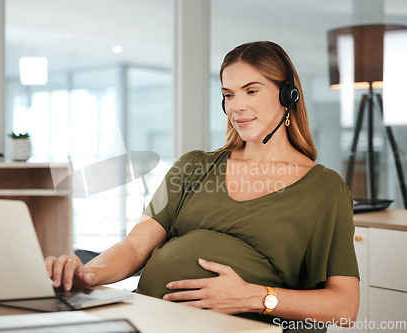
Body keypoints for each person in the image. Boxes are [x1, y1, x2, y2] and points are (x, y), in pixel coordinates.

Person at [45, 41, 360, 331]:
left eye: (251, 91)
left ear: (288, 95)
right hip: (147, 320)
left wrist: (254, 297)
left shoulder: (324, 189)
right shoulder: (193, 166)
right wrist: (89, 273)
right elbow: (135, 246)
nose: (236, 106)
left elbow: (345, 306)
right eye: (229, 94)